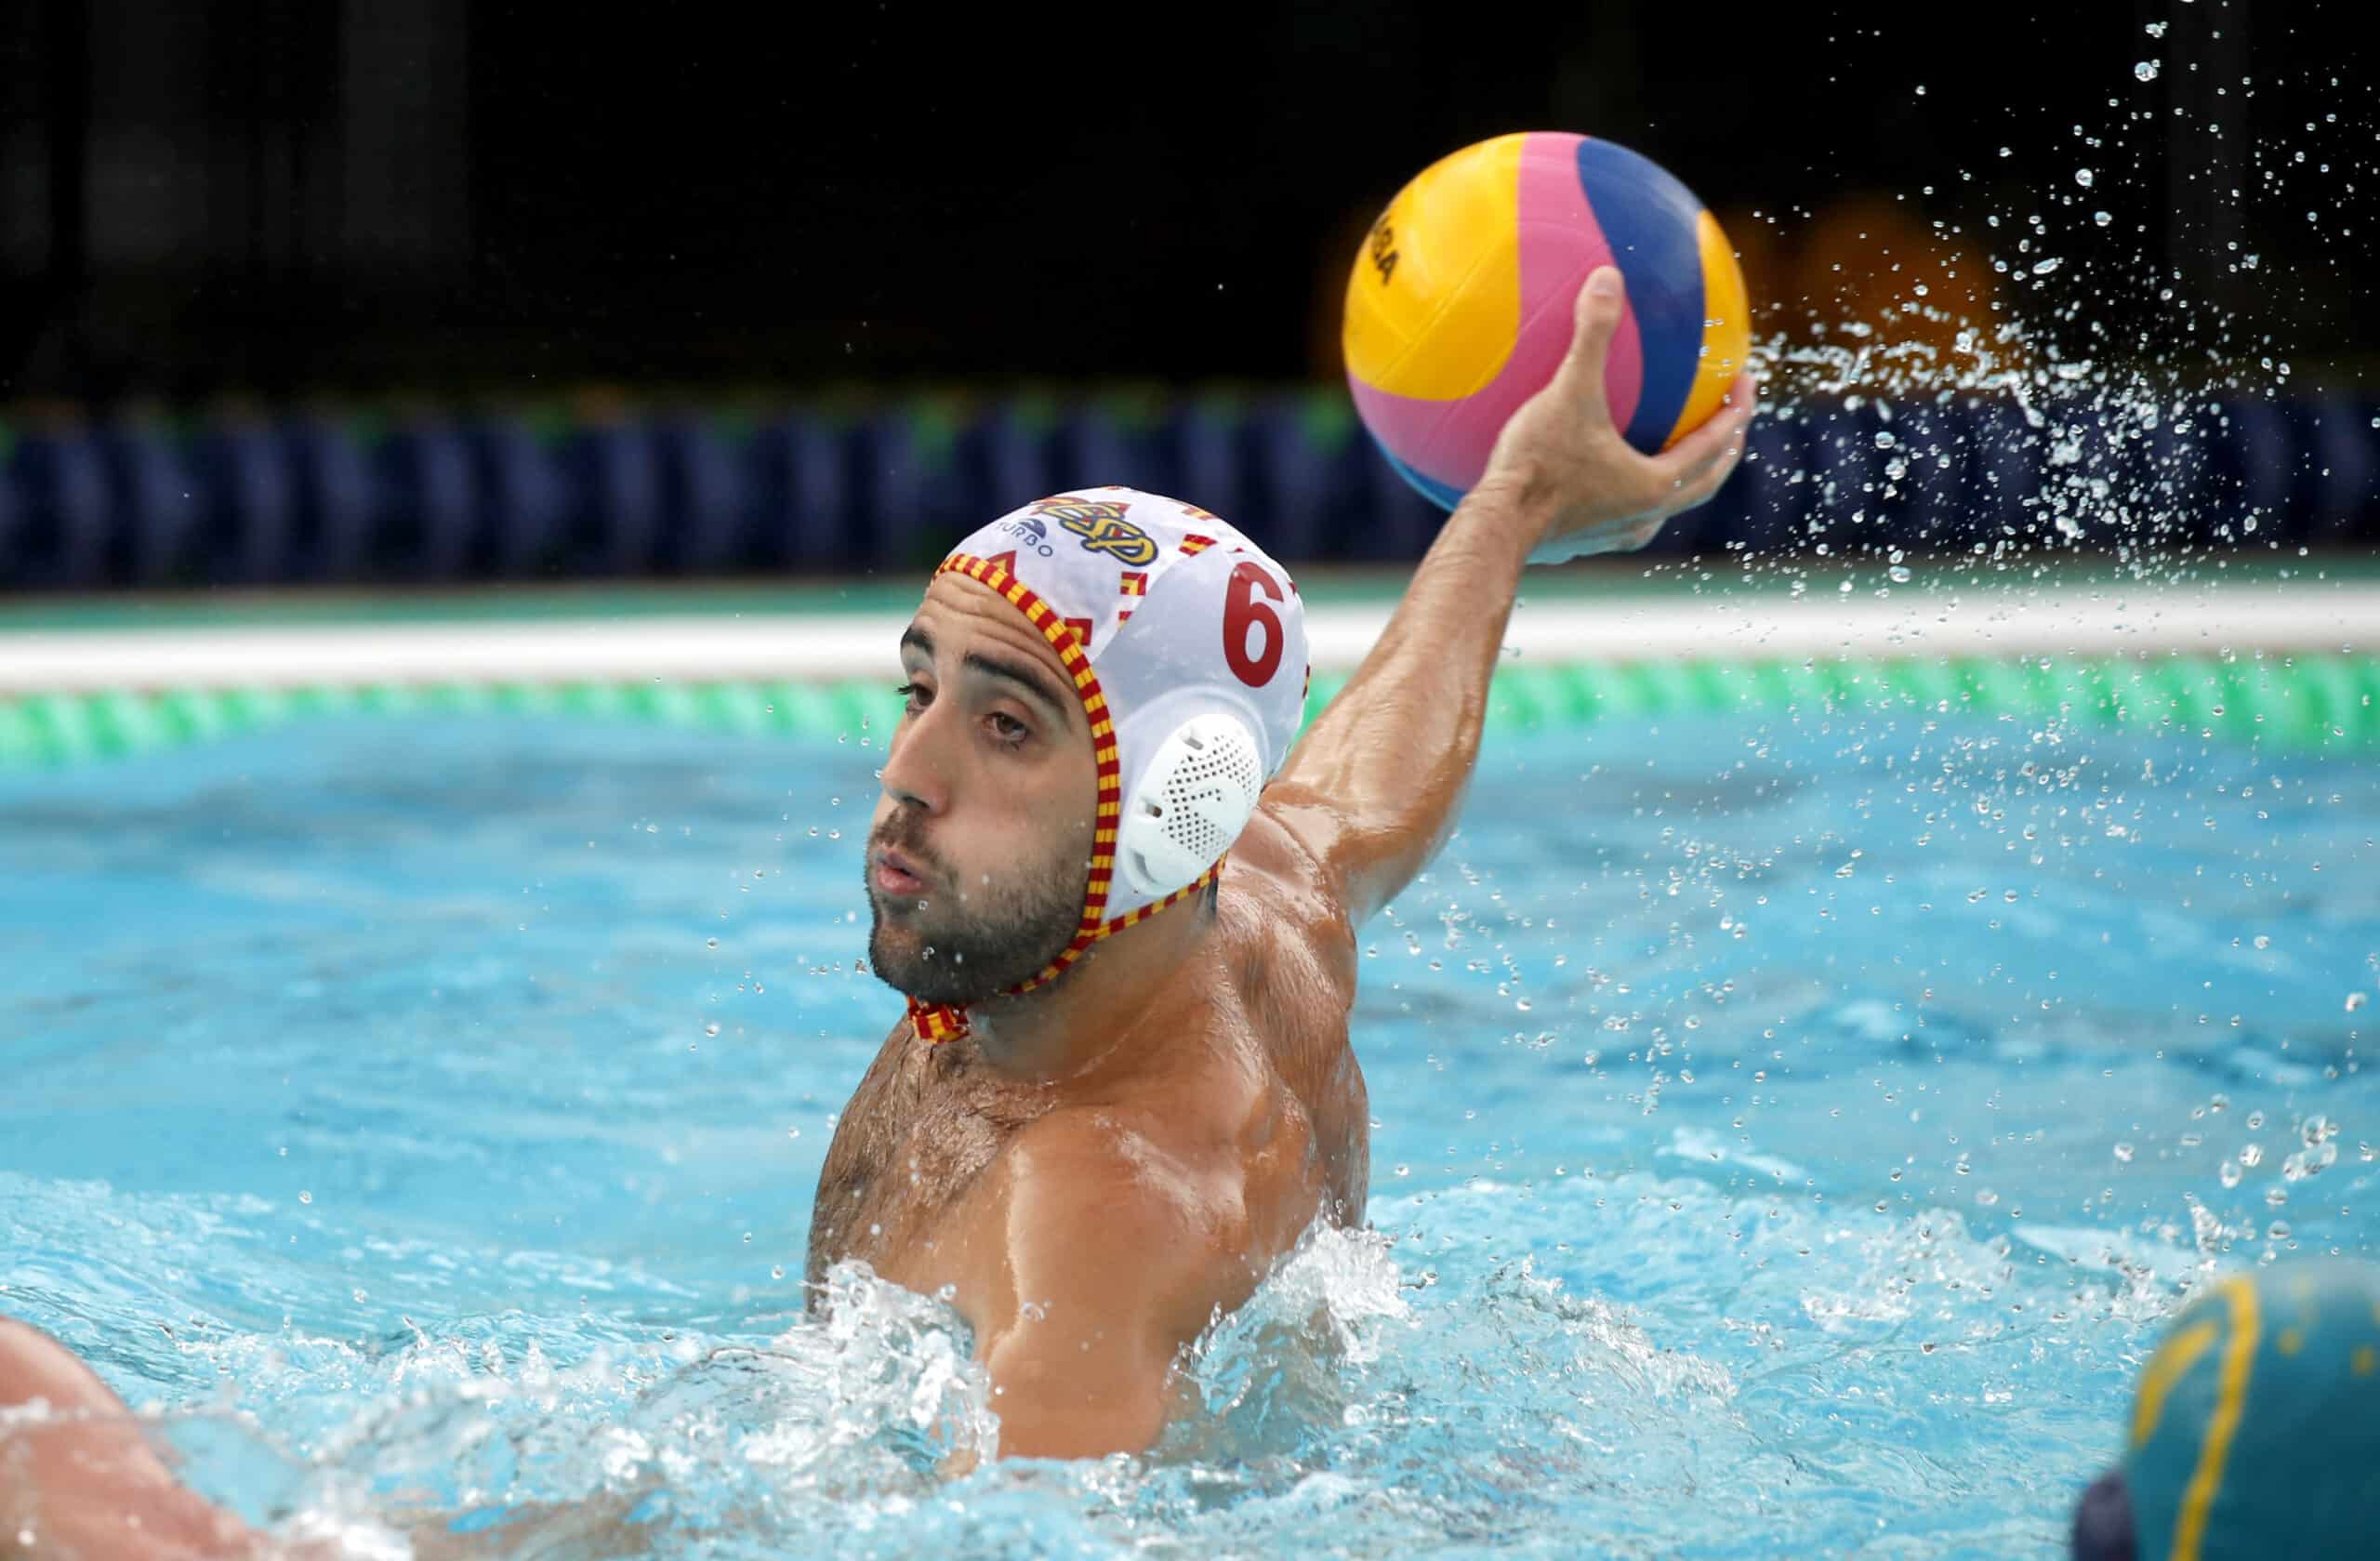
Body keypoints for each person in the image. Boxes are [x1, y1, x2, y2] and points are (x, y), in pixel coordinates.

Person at [0, 266, 1753, 1549]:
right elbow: (1371, 786)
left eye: (1005, 724)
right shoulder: (1259, 898)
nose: (906, 774)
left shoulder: (1095, 1222)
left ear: (1172, 809)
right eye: (918, 687)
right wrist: (1514, 502)